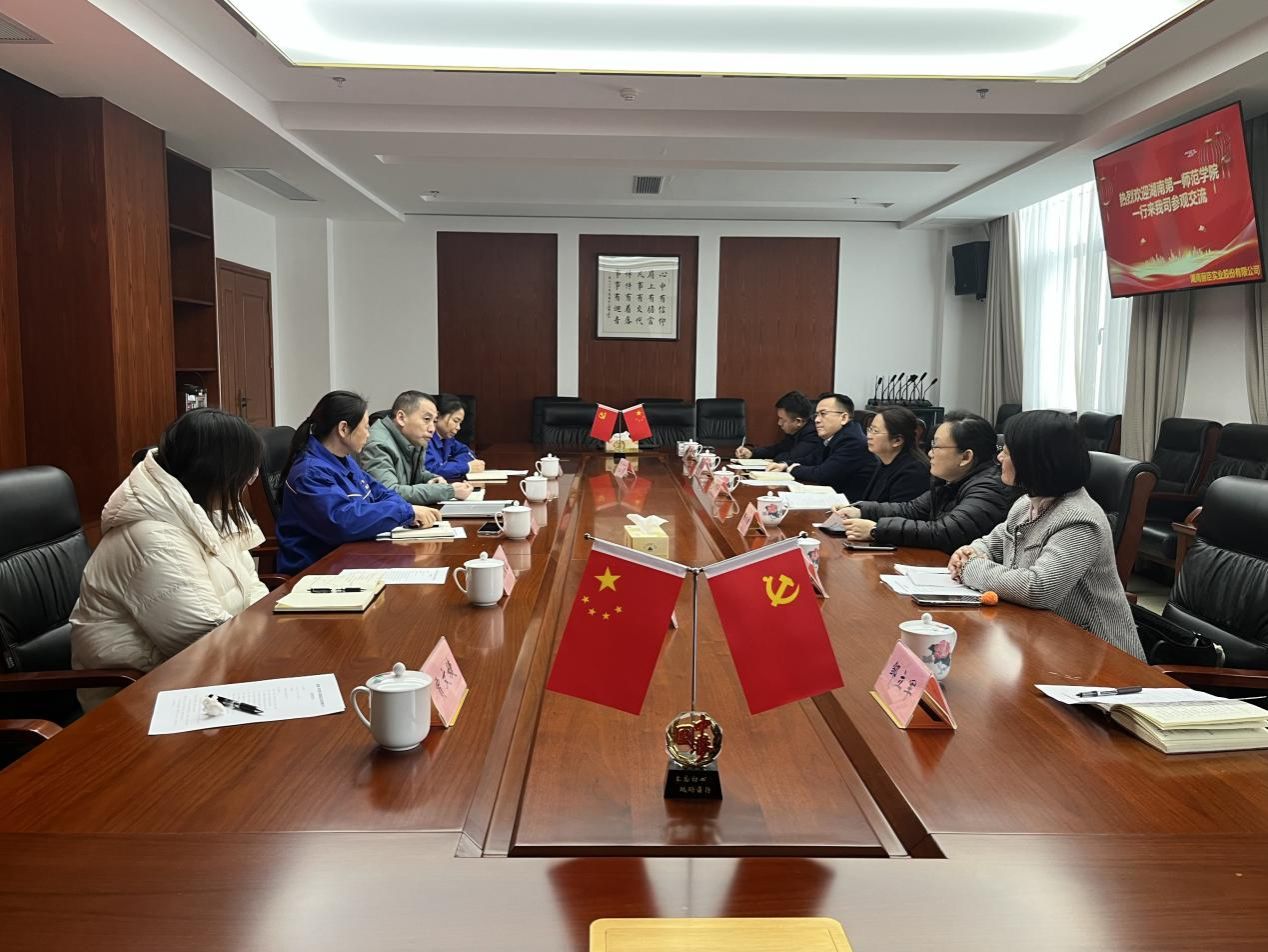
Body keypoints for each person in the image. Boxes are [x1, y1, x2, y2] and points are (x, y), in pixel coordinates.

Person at [70, 409, 270, 710]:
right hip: (135, 700)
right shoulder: (151, 539)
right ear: (217, 472)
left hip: (202, 675)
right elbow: (201, 637)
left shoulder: (207, 508)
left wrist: (270, 631)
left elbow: (251, 586)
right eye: (246, 473)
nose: (249, 483)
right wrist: (271, 641)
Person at [949, 410, 1144, 660]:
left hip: (1100, 658)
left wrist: (969, 568)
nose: (999, 457)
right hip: (1043, 641)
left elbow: (1038, 588)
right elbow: (991, 544)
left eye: (1006, 452)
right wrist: (971, 551)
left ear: (1034, 460)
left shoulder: (1079, 519)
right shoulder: (1026, 504)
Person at [276, 391, 439, 574]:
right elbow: (342, 522)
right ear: (343, 429)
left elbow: (380, 492)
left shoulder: (344, 460)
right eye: (366, 427)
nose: (369, 435)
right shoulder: (310, 473)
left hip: (350, 557)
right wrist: (404, 512)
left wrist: (406, 510)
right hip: (317, 569)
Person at [837, 410, 1012, 552]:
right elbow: (910, 509)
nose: (929, 453)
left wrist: (877, 529)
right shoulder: (951, 481)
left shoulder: (989, 489)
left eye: (936, 446)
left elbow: (945, 532)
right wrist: (860, 510)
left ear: (966, 457)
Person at [360, 391, 474, 505]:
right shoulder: (378, 445)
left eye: (434, 421)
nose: (432, 429)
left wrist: (433, 478)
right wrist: (448, 491)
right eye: (426, 419)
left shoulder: (413, 438)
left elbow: (417, 474)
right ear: (401, 418)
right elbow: (390, 493)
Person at [769, 392, 876, 500]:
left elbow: (823, 474)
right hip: (832, 498)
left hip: (849, 505)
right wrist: (785, 464)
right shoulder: (833, 436)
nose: (817, 420)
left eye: (823, 414)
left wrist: (793, 469)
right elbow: (812, 459)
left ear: (844, 418)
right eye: (816, 415)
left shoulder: (853, 442)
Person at [857, 406, 930, 504]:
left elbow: (898, 511)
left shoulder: (914, 471)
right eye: (870, 429)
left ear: (897, 440)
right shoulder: (885, 461)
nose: (868, 436)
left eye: (875, 431)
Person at [735, 390, 820, 465]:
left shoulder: (813, 434)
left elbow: (790, 458)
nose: (779, 423)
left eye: (782, 419)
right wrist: (752, 453)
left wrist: (774, 458)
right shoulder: (795, 431)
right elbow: (777, 449)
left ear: (798, 421)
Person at [426, 394, 486, 481]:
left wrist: (452, 465)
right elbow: (432, 471)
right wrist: (466, 467)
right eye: (455, 421)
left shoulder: (447, 438)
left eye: (460, 423)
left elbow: (468, 453)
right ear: (437, 417)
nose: (458, 427)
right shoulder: (424, 438)